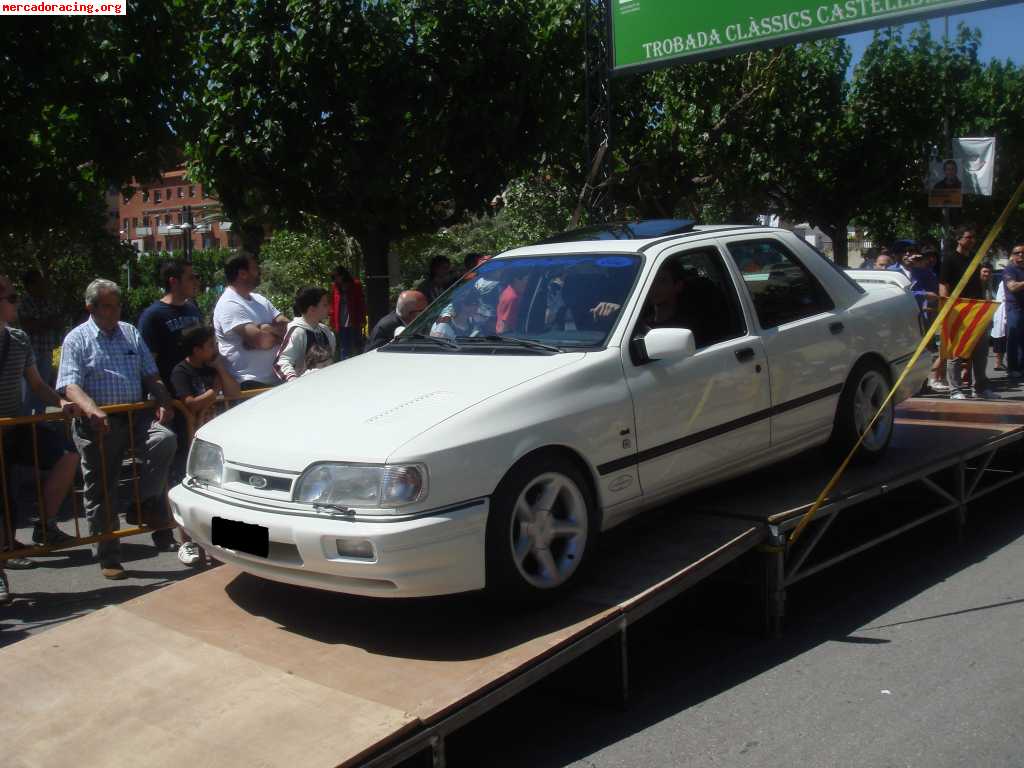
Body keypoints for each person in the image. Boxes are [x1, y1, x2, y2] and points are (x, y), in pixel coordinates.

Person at [56, 279, 179, 579]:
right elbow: (69, 384)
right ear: (92, 307)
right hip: (98, 423)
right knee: (102, 488)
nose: (114, 311)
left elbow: (151, 374)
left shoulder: (130, 333)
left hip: (135, 416)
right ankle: (108, 555)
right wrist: (92, 409)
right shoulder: (78, 338)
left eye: (117, 305)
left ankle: (141, 503)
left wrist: (164, 401)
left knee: (165, 440)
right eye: (107, 306)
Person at [0, 276, 80, 601]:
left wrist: (60, 401)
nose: (17, 303)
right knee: (2, 500)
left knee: (66, 453)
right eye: (12, 297)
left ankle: (43, 524)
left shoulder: (18, 340)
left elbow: (35, 384)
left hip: (15, 426)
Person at [169, 325, 240, 566]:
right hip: (190, 440)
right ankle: (187, 542)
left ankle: (216, 542)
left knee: (216, 492)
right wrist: (214, 391)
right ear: (197, 349)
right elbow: (191, 404)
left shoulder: (213, 369)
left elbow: (234, 392)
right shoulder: (181, 371)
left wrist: (220, 369)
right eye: (210, 346)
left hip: (217, 442)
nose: (215, 349)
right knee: (188, 489)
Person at [213, 253, 288, 390]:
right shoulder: (229, 304)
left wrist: (267, 328)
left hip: (276, 381)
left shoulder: (259, 299)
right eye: (254, 268)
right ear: (242, 273)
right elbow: (261, 341)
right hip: (249, 385)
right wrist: (277, 336)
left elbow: (287, 326)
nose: (259, 271)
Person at [940, 228, 995, 400]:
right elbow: (943, 284)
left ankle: (980, 388)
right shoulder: (949, 259)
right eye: (968, 237)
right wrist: (946, 308)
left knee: (980, 351)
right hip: (957, 310)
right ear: (959, 239)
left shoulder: (974, 260)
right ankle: (955, 390)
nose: (972, 240)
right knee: (956, 352)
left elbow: (979, 285)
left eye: (974, 237)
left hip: (976, 309)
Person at [138, 259, 202, 384]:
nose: (196, 282)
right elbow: (148, 363)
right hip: (172, 394)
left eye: (196, 277)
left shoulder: (193, 308)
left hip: (198, 390)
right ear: (173, 282)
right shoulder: (153, 315)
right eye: (190, 278)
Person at [16, 269, 64, 414]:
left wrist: (41, 323)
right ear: (30, 285)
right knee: (29, 387)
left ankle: (40, 419)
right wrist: (45, 322)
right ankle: (25, 420)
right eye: (39, 282)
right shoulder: (23, 303)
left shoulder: (47, 302)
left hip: (46, 349)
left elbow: (57, 322)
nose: (43, 285)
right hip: (30, 351)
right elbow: (28, 325)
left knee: (43, 385)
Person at [274, 287, 336, 381]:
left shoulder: (326, 331)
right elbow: (281, 362)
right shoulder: (297, 332)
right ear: (312, 309)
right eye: (325, 305)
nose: (329, 308)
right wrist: (293, 380)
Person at [329, 266, 367, 360]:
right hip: (341, 321)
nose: (337, 279)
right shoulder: (335, 287)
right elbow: (333, 304)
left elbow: (360, 303)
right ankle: (344, 366)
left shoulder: (355, 284)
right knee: (344, 347)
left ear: (343, 275)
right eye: (335, 278)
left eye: (338, 277)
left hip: (354, 319)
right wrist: (332, 321)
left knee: (356, 345)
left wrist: (363, 319)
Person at [1002, 244, 1024, 378]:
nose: (1020, 255)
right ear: (1012, 255)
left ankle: (1022, 368)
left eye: (1022, 253)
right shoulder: (1009, 270)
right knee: (1014, 337)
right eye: (1017, 253)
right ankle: (1012, 368)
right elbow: (1012, 287)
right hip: (1014, 307)